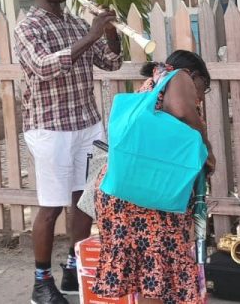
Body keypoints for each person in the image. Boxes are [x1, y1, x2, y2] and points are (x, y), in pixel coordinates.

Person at [14, 0, 122, 304]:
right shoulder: (28, 27)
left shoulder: (76, 23)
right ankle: (41, 283)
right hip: (50, 129)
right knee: (52, 205)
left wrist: (108, 32)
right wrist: (91, 36)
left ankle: (75, 267)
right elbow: (44, 67)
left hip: (87, 124)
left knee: (84, 200)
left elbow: (111, 62)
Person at [92, 50, 215, 304]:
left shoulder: (152, 85)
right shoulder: (177, 76)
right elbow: (182, 110)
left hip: (123, 193)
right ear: (193, 75)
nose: (201, 97)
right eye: (204, 87)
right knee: (155, 274)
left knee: (149, 276)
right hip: (148, 202)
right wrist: (206, 146)